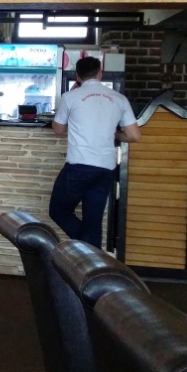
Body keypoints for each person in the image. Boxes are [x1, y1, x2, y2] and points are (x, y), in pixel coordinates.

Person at [49, 56, 141, 248]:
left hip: (78, 166)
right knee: (93, 221)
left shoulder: (70, 97)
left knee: (58, 211)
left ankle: (86, 249)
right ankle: (92, 259)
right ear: (100, 73)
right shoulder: (119, 99)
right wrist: (115, 133)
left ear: (78, 76)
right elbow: (134, 136)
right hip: (105, 169)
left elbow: (58, 129)